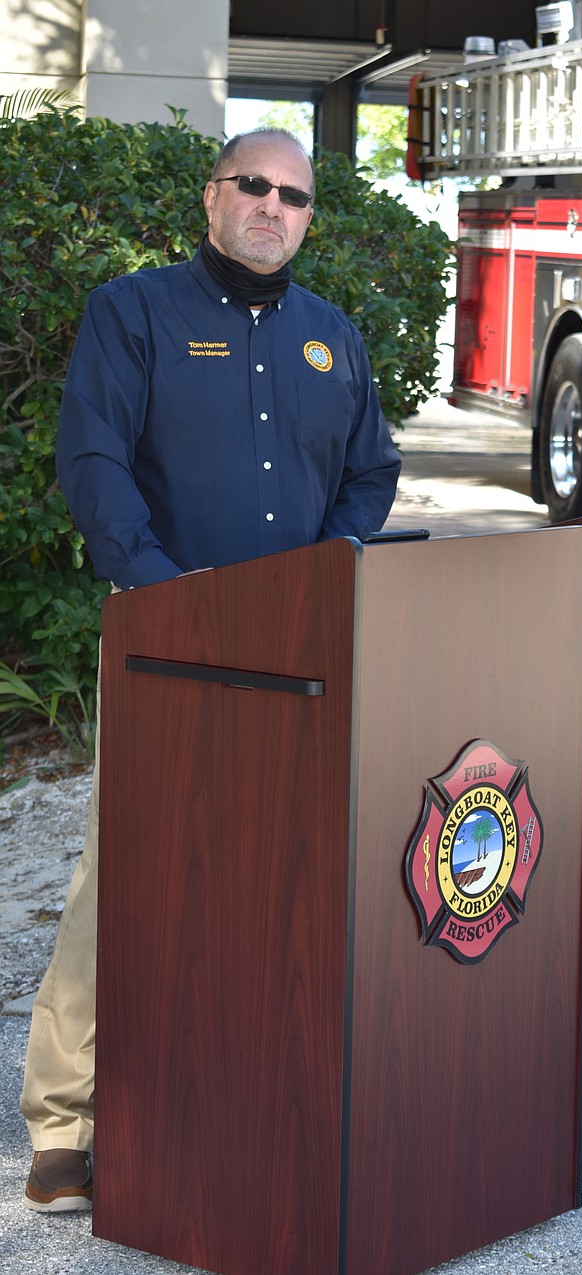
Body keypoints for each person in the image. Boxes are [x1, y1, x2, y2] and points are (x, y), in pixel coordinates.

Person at [20, 127, 401, 1210]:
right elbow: (93, 466)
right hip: (168, 644)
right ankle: (65, 1121)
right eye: (254, 185)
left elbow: (371, 473)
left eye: (294, 195)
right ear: (211, 197)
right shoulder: (132, 314)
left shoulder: (334, 338)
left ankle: (246, 1088)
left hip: (303, 649)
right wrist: (164, 600)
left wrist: (331, 574)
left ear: (309, 217)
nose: (272, 207)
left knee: (279, 878)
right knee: (129, 874)